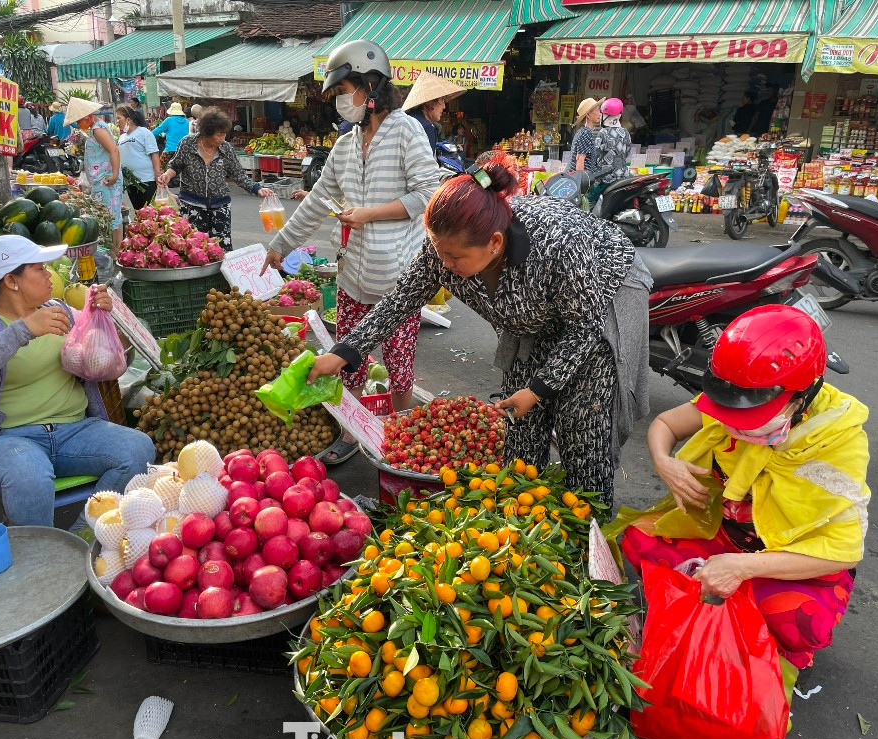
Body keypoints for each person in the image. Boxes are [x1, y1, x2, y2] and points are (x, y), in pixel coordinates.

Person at [307, 155, 650, 499]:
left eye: (455, 258)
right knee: (521, 429)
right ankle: (522, 511)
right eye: (440, 254)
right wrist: (343, 353)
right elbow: (401, 300)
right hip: (539, 312)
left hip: (602, 298)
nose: (445, 265)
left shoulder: (559, 244)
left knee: (582, 425)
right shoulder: (445, 245)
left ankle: (590, 522)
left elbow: (583, 328)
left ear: (495, 243)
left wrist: (539, 389)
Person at [626, 305, 869, 668]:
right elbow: (666, 424)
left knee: (799, 622)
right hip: (725, 535)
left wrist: (743, 568)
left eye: (751, 417)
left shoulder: (834, 443)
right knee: (636, 542)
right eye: (729, 414)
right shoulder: (734, 390)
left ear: (801, 397)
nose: (735, 427)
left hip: (787, 555)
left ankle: (753, 644)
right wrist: (665, 461)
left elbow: (844, 552)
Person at [261, 40, 440, 464]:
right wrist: (280, 244)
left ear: (371, 86)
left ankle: (401, 442)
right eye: (339, 94)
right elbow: (318, 200)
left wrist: (367, 214)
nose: (342, 101)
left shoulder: (406, 131)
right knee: (350, 361)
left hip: (398, 282)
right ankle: (350, 433)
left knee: (399, 370)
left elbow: (429, 193)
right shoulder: (344, 145)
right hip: (353, 278)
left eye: (345, 91)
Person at [0, 235, 155, 526]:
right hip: (8, 439)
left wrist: (104, 322)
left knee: (138, 449)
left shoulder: (61, 310)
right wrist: (22, 331)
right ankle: (43, 554)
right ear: (11, 281)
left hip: (75, 431)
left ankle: (84, 535)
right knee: (28, 475)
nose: (49, 275)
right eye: (39, 269)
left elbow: (112, 365)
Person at [157, 109, 271, 249]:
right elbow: (175, 165)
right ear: (206, 132)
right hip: (192, 205)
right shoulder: (187, 144)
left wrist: (257, 189)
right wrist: (167, 175)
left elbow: (238, 174)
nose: (223, 138)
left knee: (221, 249)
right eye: (219, 135)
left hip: (220, 206)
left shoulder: (226, 148)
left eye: (224, 134)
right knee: (194, 249)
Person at [65, 98, 123, 251]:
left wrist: (115, 175)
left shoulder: (98, 129)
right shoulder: (96, 128)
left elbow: (114, 150)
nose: (78, 125)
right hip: (104, 179)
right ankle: (116, 252)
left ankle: (115, 252)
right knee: (113, 216)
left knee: (109, 218)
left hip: (107, 180)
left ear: (87, 116)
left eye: (79, 121)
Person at [402, 71, 464, 155]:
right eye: (442, 100)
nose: (444, 106)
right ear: (430, 102)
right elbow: (426, 165)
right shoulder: (426, 127)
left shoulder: (410, 119)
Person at [115, 104, 160, 210]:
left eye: (118, 118)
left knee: (150, 214)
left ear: (128, 119)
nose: (117, 121)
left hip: (146, 180)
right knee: (139, 213)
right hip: (131, 183)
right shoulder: (121, 137)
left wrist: (158, 174)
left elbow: (154, 154)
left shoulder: (143, 132)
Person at [590, 97, 632, 205]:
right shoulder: (625, 132)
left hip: (606, 178)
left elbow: (595, 154)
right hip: (624, 176)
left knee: (589, 200)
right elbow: (627, 152)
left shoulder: (603, 133)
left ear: (606, 116)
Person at [570, 97, 604, 173]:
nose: (600, 113)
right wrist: (580, 181)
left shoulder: (585, 132)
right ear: (588, 114)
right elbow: (580, 160)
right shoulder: (585, 133)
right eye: (597, 110)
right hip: (580, 179)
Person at [152, 102, 189, 170]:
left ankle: (161, 180)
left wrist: (149, 135)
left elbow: (157, 131)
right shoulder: (187, 121)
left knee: (159, 167)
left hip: (170, 150)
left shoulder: (169, 120)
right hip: (183, 151)